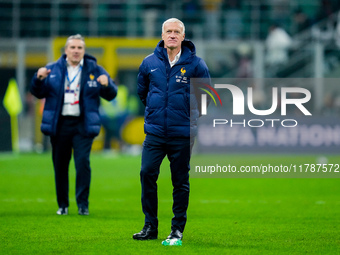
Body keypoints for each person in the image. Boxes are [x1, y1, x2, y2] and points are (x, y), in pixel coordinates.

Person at [133, 18, 210, 243]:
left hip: (182, 133)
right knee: (147, 173)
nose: (173, 35)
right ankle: (150, 226)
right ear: (162, 35)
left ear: (183, 37)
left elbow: (206, 97)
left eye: (177, 32)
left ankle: (177, 229)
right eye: (169, 31)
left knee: (180, 181)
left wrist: (190, 119)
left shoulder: (197, 65)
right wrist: (156, 112)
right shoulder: (149, 63)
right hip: (155, 132)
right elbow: (142, 92)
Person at [30, 34, 118, 216]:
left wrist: (107, 84)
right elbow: (37, 93)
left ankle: (82, 205)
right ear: (66, 50)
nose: (76, 51)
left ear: (84, 51)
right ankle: (62, 205)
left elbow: (111, 94)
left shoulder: (95, 69)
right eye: (73, 48)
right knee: (60, 165)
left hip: (82, 124)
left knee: (82, 163)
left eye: (80, 48)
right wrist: (38, 79)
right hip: (60, 123)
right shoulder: (51, 69)